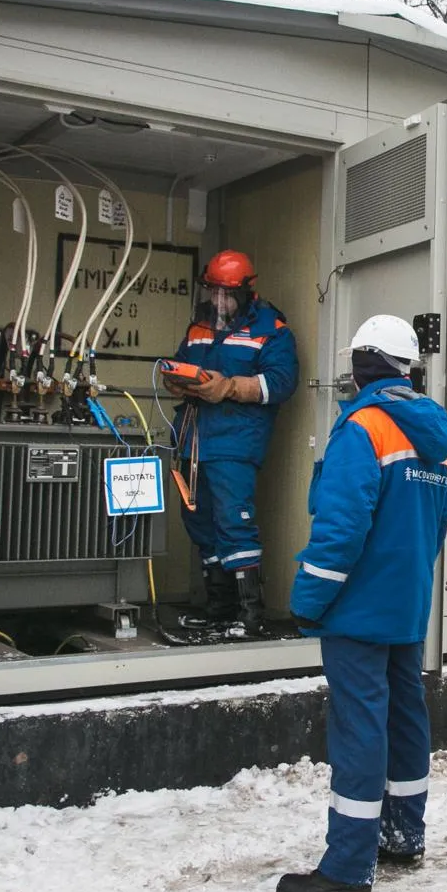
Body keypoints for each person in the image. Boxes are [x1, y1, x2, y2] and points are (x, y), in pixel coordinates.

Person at [277, 315, 447, 892]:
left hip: (357, 610)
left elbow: (340, 529)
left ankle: (348, 869)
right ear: (405, 368)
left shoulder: (362, 428)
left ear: (361, 367)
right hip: (406, 606)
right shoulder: (429, 435)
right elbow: (436, 526)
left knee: (360, 727)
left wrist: (307, 600)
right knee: (405, 717)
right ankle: (403, 835)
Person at [161, 249, 298, 637]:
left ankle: (250, 614)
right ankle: (219, 608)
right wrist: (177, 377)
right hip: (193, 439)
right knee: (200, 521)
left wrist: (230, 387)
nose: (219, 302)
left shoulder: (270, 329)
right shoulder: (200, 326)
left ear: (247, 291)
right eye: (213, 293)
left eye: (227, 295)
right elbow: (182, 361)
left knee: (233, 521)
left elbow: (282, 383)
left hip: (235, 442)